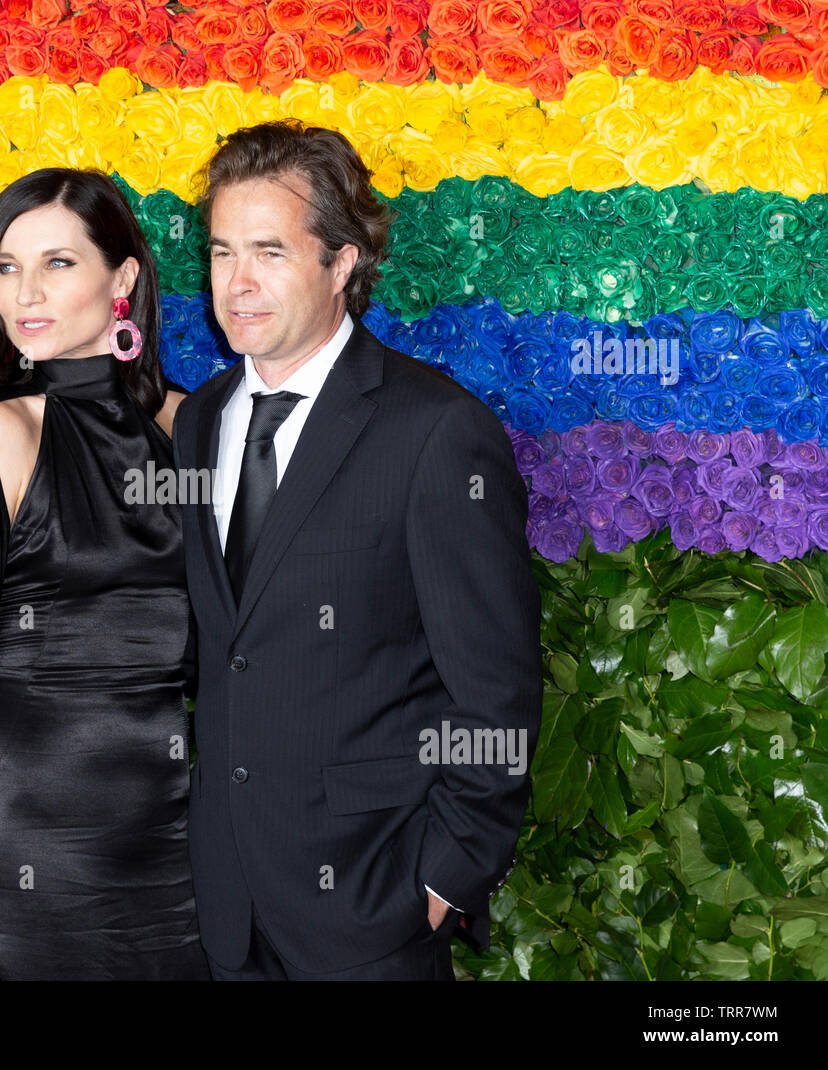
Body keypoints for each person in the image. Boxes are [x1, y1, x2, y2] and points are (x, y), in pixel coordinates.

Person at [172, 120, 542, 980]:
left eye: (269, 251)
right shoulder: (200, 420)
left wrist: (444, 876)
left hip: (374, 913)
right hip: (226, 911)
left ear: (343, 264)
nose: (237, 283)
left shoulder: (437, 433)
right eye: (223, 252)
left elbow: (496, 692)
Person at [0, 167, 209, 981]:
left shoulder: (197, 426)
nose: (25, 291)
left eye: (58, 263)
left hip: (187, 845)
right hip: (35, 852)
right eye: (8, 267)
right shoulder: (0, 434)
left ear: (122, 278)